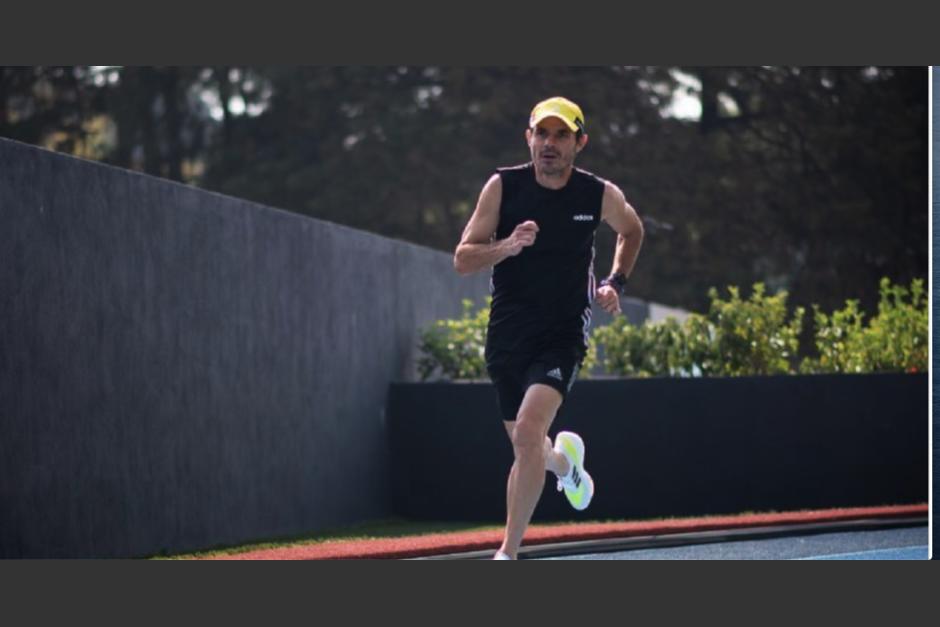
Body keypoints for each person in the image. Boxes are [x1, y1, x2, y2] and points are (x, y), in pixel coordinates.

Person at [453, 96, 645, 560]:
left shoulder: (597, 194)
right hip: (508, 334)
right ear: (529, 138)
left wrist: (614, 281)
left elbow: (632, 230)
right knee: (531, 447)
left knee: (526, 433)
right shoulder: (503, 187)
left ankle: (507, 554)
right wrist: (508, 246)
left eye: (562, 135)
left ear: (580, 142)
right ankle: (565, 465)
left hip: (562, 333)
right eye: (542, 133)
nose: (550, 144)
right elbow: (463, 258)